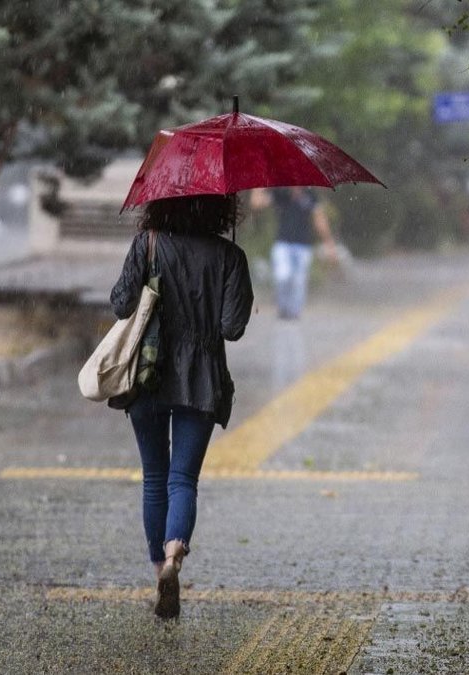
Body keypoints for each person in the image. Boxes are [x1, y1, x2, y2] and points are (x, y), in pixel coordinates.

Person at [109, 194, 254, 619]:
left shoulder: (147, 243)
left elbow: (120, 303)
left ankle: (159, 570)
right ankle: (175, 552)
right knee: (183, 479)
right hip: (201, 378)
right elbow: (233, 327)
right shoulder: (230, 255)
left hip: (148, 372)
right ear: (219, 209)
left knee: (155, 477)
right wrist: (229, 270)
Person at [249, 187, 338, 320]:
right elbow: (256, 204)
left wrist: (329, 243)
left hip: (303, 245)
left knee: (299, 281)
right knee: (283, 276)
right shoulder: (280, 193)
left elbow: (319, 219)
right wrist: (259, 187)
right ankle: (283, 307)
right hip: (283, 243)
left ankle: (295, 311)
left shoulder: (310, 195)